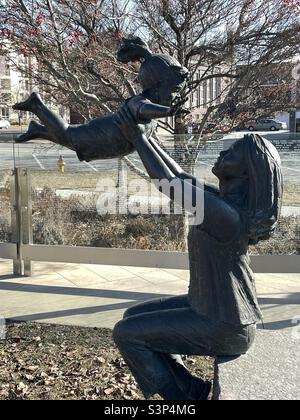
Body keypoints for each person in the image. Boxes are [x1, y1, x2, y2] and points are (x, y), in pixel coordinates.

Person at [113, 133, 283, 400]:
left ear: (247, 169)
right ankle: (190, 388)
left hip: (225, 324)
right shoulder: (222, 203)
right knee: (130, 316)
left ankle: (181, 400)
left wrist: (135, 136)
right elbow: (179, 176)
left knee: (127, 334)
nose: (222, 154)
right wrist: (144, 136)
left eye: (232, 152)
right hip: (206, 306)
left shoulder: (226, 216)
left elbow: (168, 183)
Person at [12, 37, 189, 162]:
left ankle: (38, 130)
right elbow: (144, 109)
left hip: (107, 140)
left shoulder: (148, 119)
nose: (176, 97)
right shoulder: (139, 103)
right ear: (156, 86)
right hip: (102, 132)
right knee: (68, 134)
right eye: (174, 90)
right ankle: (37, 105)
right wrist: (169, 112)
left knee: (69, 140)